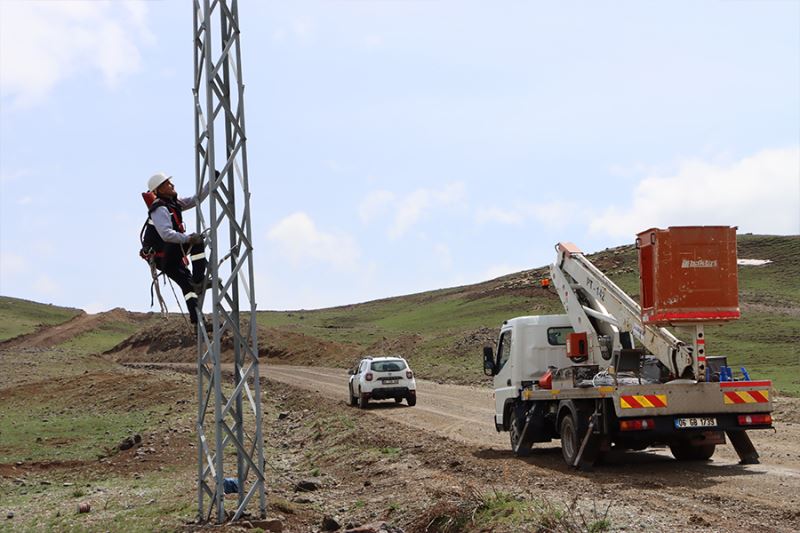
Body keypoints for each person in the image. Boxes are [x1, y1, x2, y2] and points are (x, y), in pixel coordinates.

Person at [142, 172, 209, 326]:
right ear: (158, 190)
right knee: (197, 242)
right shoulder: (159, 208)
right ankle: (199, 279)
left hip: (166, 255)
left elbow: (194, 200)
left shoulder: (173, 204)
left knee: (187, 285)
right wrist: (189, 239)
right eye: (167, 184)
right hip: (163, 254)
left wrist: (211, 182)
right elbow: (166, 234)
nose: (172, 185)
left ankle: (199, 323)